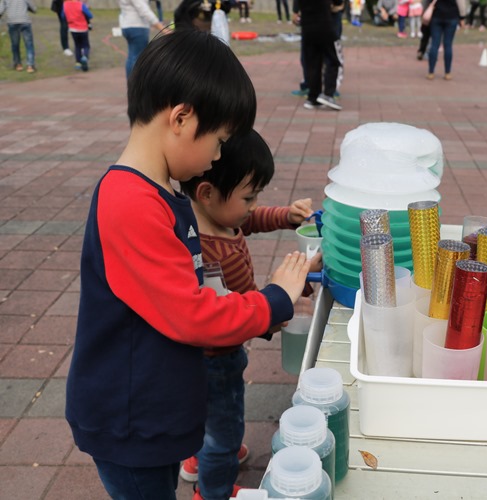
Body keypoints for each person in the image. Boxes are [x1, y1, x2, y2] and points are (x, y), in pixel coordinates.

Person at [65, 29, 313, 500]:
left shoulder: (160, 191)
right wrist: (273, 300)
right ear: (181, 118)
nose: (218, 156)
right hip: (131, 422)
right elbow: (192, 313)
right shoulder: (131, 203)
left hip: (151, 407)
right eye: (219, 141)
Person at [178, 131, 318, 500]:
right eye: (248, 196)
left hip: (196, 360)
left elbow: (249, 220)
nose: (253, 205)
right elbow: (246, 316)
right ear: (208, 192)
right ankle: (214, 489)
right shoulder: (211, 255)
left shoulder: (204, 218)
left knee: (203, 412)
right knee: (224, 426)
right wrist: (293, 289)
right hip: (218, 358)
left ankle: (197, 457)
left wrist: (285, 216)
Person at [300, 0, 343, 111]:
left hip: (307, 27)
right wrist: (338, 4)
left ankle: (313, 97)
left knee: (312, 63)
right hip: (324, 25)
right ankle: (328, 94)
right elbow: (338, 3)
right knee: (334, 60)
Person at [118, 0, 166, 79]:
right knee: (138, 57)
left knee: (132, 56)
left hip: (127, 25)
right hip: (137, 26)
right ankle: (136, 84)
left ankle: (131, 84)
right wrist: (161, 27)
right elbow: (143, 10)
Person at [426, 0, 465, 81]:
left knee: (434, 44)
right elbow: (461, 3)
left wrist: (426, 11)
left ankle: (431, 72)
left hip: (436, 15)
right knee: (448, 45)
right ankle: (447, 73)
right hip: (452, 16)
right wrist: (462, 17)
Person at [0, 0, 37, 73]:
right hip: (25, 21)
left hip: (12, 22)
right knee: (29, 44)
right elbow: (34, 8)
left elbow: (0, 10)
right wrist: (29, 8)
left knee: (15, 45)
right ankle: (30, 66)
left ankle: (18, 65)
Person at [61, 0, 93, 72]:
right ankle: (84, 57)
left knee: (77, 45)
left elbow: (63, 16)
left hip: (73, 29)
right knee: (86, 45)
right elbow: (90, 15)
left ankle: (78, 63)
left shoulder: (65, 4)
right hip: (83, 28)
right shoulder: (80, 5)